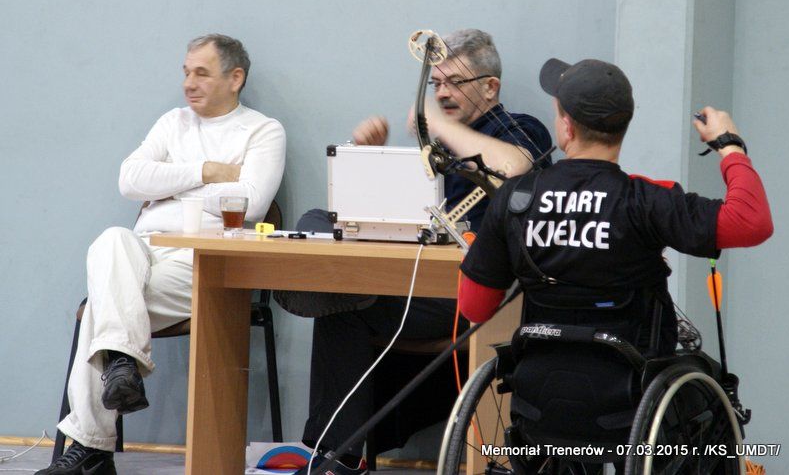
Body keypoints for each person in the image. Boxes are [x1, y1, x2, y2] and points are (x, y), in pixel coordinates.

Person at [458, 57, 773, 472]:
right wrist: (729, 144)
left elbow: (475, 307)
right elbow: (752, 222)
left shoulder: (515, 199)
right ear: (622, 127)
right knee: (713, 392)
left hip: (538, 401)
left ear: (566, 127)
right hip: (630, 399)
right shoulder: (647, 200)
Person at [294, 29, 552, 475]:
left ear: (491, 87)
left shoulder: (521, 129)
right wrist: (371, 161)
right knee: (319, 228)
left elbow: (516, 168)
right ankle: (340, 459)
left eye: (455, 82)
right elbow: (396, 221)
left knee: (342, 304)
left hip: (470, 295)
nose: (442, 93)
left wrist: (441, 126)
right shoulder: (433, 146)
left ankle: (339, 459)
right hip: (412, 283)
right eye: (436, 84)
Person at [38, 34, 286, 475]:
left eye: (201, 73)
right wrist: (207, 171)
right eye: (186, 72)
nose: (188, 83)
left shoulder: (263, 131)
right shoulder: (173, 123)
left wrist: (171, 186)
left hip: (207, 261)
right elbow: (130, 179)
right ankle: (121, 367)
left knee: (102, 308)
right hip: (144, 253)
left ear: (235, 78)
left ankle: (93, 447)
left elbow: (252, 201)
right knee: (112, 239)